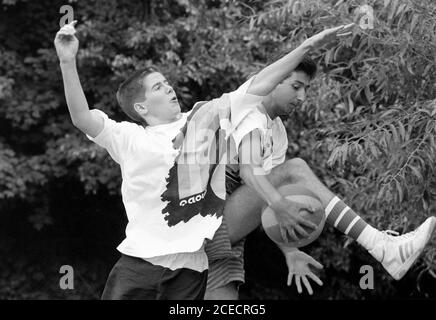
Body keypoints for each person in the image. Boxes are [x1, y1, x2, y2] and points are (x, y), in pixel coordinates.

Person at [54, 21, 346, 299]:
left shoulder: (203, 116)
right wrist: (68, 62)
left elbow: (257, 85)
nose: (168, 87)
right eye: (158, 87)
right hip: (140, 262)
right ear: (141, 106)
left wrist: (306, 46)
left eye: (167, 82)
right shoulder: (128, 137)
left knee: (286, 170)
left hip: (191, 267)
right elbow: (81, 117)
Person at [204, 32, 436, 298]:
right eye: (296, 86)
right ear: (274, 81)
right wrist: (280, 205)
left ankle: (383, 247)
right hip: (205, 224)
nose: (302, 97)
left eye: (307, 89)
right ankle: (379, 245)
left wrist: (290, 250)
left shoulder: (277, 133)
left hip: (226, 238)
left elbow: (265, 199)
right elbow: (250, 172)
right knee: (296, 169)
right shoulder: (248, 111)